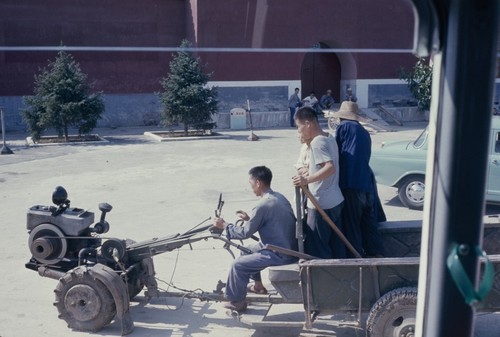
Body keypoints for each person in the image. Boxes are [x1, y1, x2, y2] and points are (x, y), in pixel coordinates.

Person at [213, 166, 298, 312]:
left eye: (251, 183)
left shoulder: (262, 205)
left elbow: (244, 233)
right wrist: (249, 218)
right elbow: (269, 219)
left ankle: (236, 302)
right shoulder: (278, 197)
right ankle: (258, 286)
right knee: (246, 251)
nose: (251, 187)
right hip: (287, 246)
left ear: (258, 183)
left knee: (238, 265)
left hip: (280, 253)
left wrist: (225, 225)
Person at [330, 101, 385, 258]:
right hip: (366, 184)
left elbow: (336, 153)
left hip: (351, 183)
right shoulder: (364, 132)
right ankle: (377, 255)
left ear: (341, 117)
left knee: (352, 224)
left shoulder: (344, 127)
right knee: (368, 224)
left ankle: (356, 260)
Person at [292, 106, 346, 259]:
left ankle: (323, 280)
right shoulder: (329, 137)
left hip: (321, 204)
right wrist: (309, 172)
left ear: (308, 123)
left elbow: (329, 168)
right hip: (335, 200)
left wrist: (306, 179)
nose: (299, 131)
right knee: (337, 246)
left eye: (299, 127)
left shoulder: (317, 142)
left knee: (318, 249)